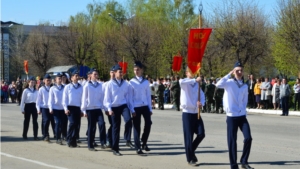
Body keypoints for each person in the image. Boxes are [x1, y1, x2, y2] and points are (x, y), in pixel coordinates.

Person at [216, 61, 254, 169]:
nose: (240, 72)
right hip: (232, 116)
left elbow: (245, 99)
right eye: (237, 70)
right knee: (232, 141)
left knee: (248, 138)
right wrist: (229, 74)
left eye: (241, 70)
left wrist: (243, 109)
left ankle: (244, 161)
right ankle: (234, 165)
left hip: (242, 116)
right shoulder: (229, 82)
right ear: (234, 72)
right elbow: (218, 84)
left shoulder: (244, 85)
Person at [103, 64, 134, 156]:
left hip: (123, 105)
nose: (121, 73)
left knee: (128, 121)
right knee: (116, 127)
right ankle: (115, 148)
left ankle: (126, 138)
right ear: (115, 73)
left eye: (122, 72)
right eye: (119, 72)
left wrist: (132, 109)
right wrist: (109, 109)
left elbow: (129, 98)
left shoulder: (126, 84)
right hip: (114, 107)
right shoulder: (109, 84)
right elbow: (107, 98)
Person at [179, 67, 205, 166]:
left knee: (201, 134)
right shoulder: (184, 83)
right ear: (186, 73)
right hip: (187, 113)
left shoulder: (197, 85)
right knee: (189, 137)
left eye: (194, 72)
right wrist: (195, 80)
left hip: (196, 112)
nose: (193, 73)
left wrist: (201, 103)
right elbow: (182, 82)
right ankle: (190, 159)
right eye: (191, 72)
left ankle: (191, 150)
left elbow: (202, 96)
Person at [129, 61, 153, 155]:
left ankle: (144, 141)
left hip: (145, 106)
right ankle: (138, 147)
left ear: (141, 70)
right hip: (136, 107)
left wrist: (150, 108)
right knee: (136, 127)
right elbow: (130, 98)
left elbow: (148, 96)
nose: (136, 71)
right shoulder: (131, 82)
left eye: (138, 69)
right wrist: (132, 109)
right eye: (135, 70)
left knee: (148, 123)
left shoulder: (146, 82)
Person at [81, 69, 107, 151]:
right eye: (94, 74)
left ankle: (103, 142)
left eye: (97, 74)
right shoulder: (87, 86)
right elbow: (84, 99)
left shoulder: (100, 85)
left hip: (98, 108)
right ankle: (90, 144)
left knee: (102, 124)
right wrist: (84, 110)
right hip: (90, 109)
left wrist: (105, 108)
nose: (96, 75)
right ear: (90, 75)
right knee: (92, 127)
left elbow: (102, 97)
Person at [63, 70, 83, 148]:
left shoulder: (81, 87)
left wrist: (82, 110)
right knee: (72, 123)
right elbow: (64, 99)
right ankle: (69, 139)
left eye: (78, 76)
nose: (77, 77)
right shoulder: (68, 87)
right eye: (75, 76)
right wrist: (65, 108)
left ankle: (74, 142)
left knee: (77, 125)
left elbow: (82, 99)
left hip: (77, 108)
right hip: (70, 107)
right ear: (71, 78)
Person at [48, 73, 66, 145]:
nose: (60, 80)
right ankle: (58, 138)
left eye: (61, 78)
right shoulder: (52, 88)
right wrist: (50, 108)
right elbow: (50, 99)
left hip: (62, 109)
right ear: (55, 80)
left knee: (62, 123)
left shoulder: (64, 87)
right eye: (59, 78)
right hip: (55, 108)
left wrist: (66, 108)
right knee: (58, 122)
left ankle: (63, 136)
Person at [36, 74, 53, 142]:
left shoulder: (52, 88)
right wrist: (38, 109)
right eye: (47, 80)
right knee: (46, 121)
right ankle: (45, 134)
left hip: (51, 107)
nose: (48, 82)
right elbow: (38, 100)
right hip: (44, 107)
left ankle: (55, 134)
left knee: (52, 122)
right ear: (44, 81)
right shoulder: (41, 89)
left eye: (49, 80)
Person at [102, 67, 115, 148]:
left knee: (115, 125)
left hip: (118, 107)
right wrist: (106, 109)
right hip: (109, 108)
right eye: (111, 72)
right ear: (109, 73)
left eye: (114, 72)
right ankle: (108, 139)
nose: (113, 74)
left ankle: (111, 140)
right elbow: (104, 97)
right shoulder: (105, 84)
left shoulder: (119, 83)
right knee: (113, 124)